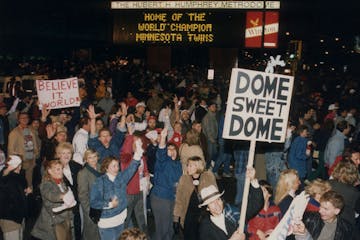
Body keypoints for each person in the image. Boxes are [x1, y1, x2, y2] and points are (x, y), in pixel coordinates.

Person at [90, 139, 142, 240]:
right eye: (113, 166)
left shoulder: (121, 178)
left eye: (117, 165)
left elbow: (132, 167)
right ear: (106, 168)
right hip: (107, 223)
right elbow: (94, 203)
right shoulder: (99, 182)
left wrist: (138, 151)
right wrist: (109, 205)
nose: (117, 168)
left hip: (122, 219)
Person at [198, 167, 264, 240]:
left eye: (218, 199)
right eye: (211, 203)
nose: (217, 204)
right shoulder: (205, 227)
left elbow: (256, 204)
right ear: (207, 208)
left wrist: (253, 179)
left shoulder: (233, 211)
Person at [173, 156, 217, 239]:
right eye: (187, 165)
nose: (187, 168)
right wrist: (176, 219)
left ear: (198, 166)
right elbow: (179, 200)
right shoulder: (184, 179)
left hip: (204, 216)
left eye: (190, 166)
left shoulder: (208, 177)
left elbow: (215, 196)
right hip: (189, 216)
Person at [151, 127, 182, 240]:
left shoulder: (178, 164)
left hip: (172, 198)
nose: (171, 151)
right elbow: (161, 153)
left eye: (173, 149)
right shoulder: (162, 162)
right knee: (162, 230)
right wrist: (163, 138)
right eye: (169, 149)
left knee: (169, 228)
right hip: (161, 198)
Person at [32, 160, 75, 240]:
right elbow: (51, 195)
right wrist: (62, 196)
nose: (61, 171)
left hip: (64, 220)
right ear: (50, 171)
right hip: (53, 223)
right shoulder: (46, 184)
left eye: (62, 169)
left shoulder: (61, 182)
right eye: (58, 169)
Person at [0, 155, 31, 240]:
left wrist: (27, 192)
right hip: (9, 218)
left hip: (20, 216)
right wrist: (7, 170)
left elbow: (21, 194)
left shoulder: (20, 177)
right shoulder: (5, 177)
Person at [8, 112, 40, 188]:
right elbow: (10, 149)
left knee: (29, 181)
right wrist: (15, 162)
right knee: (21, 183)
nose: (25, 119)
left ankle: (29, 193)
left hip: (31, 159)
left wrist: (36, 153)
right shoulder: (14, 132)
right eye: (23, 118)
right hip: (21, 162)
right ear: (19, 120)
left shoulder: (31, 130)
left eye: (26, 117)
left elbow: (36, 143)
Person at [77, 149, 101, 240]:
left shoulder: (101, 168)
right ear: (86, 159)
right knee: (92, 233)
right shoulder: (83, 173)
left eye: (95, 157)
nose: (93, 159)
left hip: (103, 205)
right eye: (90, 158)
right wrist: (89, 211)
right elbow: (82, 195)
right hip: (91, 208)